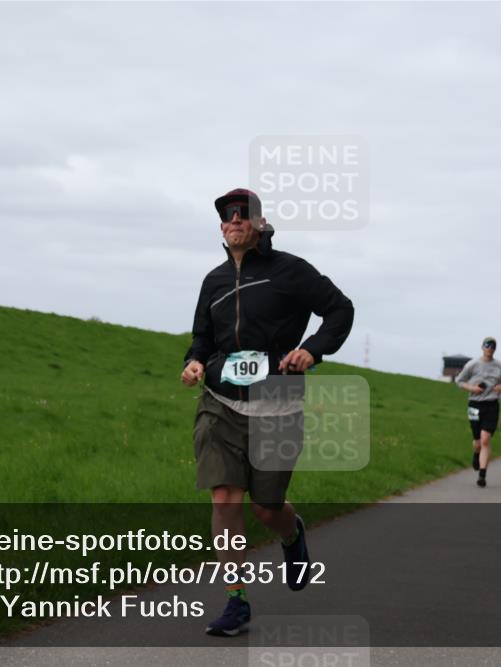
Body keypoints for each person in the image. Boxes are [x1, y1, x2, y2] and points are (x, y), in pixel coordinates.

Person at [181, 188, 353, 636]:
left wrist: (311, 351)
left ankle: (291, 533)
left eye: (242, 214)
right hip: (220, 403)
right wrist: (194, 362)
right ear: (221, 227)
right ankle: (236, 600)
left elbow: (339, 310)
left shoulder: (289, 271)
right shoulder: (213, 282)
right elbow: (202, 338)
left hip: (277, 401)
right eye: (226, 216)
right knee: (224, 497)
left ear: (259, 224)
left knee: (265, 506)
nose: (233, 220)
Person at [455, 337, 501, 488]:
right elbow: (459, 381)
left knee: (485, 439)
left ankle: (482, 475)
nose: (489, 348)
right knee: (477, 442)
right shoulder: (472, 364)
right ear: (482, 347)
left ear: (495, 349)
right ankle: (476, 454)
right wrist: (472, 389)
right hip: (474, 404)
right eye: (487, 345)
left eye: (492, 346)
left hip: (492, 405)